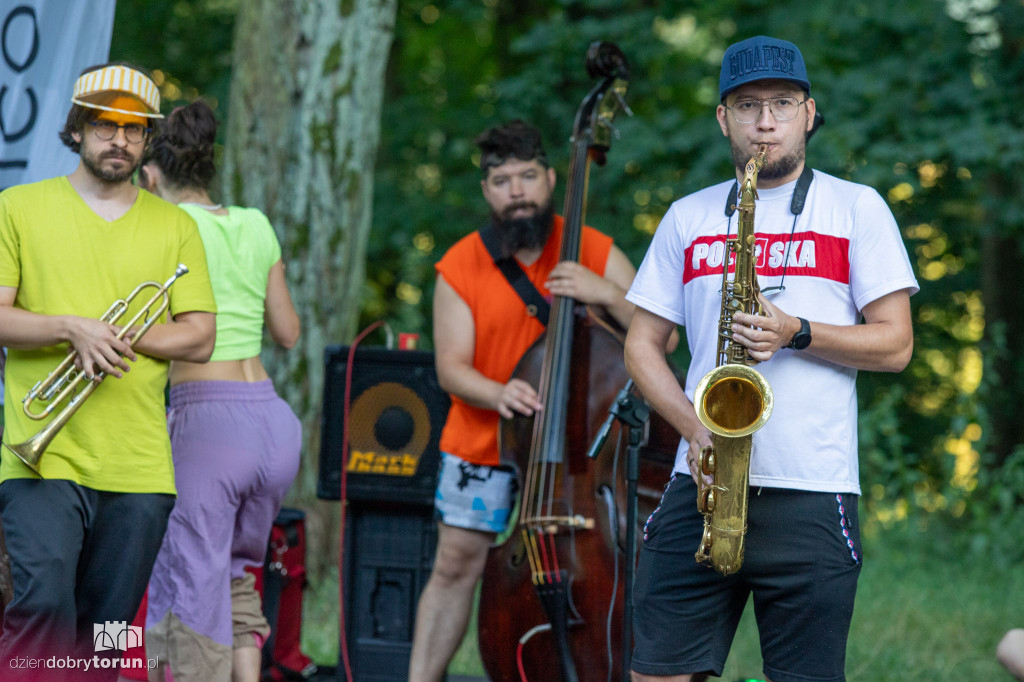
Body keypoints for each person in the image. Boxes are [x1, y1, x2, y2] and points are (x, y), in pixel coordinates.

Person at [622, 36, 918, 682]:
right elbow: (641, 345)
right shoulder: (687, 218)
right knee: (656, 675)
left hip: (811, 491)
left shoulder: (856, 208)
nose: (765, 120)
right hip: (700, 480)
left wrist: (798, 331)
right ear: (723, 118)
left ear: (809, 113)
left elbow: (896, 343)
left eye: (782, 102)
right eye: (748, 104)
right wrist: (695, 428)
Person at [408, 119, 662, 681]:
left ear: (550, 179)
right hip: (486, 450)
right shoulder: (460, 264)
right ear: (486, 190)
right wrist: (499, 392)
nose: (516, 190)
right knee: (456, 565)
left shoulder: (593, 248)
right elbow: (451, 368)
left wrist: (605, 294)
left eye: (527, 176)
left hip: (583, 456)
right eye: (502, 180)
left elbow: (661, 334)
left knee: (604, 567)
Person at [0, 63, 217, 681]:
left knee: (110, 628)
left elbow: (200, 337)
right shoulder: (17, 207)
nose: (117, 139)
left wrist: (123, 334)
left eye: (131, 128)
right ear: (77, 129)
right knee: (42, 604)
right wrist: (74, 328)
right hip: (40, 455)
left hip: (140, 464)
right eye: (103, 125)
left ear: (148, 140)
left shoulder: (176, 226)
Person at [136, 100, 302, 682]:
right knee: (230, 571)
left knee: (186, 580)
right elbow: (288, 331)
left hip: (209, 428)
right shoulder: (255, 223)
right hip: (274, 426)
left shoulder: (163, 227)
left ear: (150, 177)